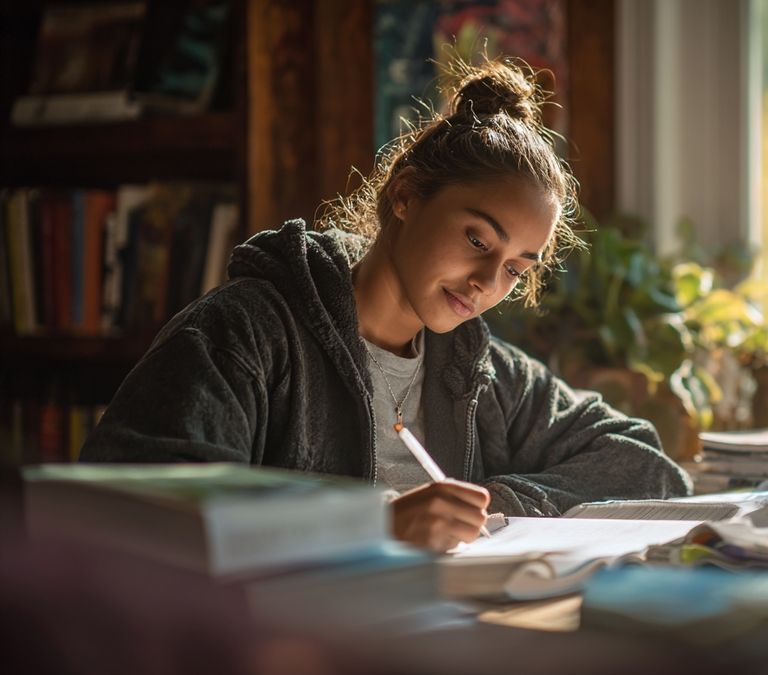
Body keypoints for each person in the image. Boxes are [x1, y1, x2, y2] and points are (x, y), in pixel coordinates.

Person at [80, 59, 691, 551]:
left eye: (513, 268)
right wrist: (374, 525)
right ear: (405, 196)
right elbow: (137, 505)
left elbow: (644, 463)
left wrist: (495, 505)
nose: (485, 283)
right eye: (477, 239)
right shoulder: (245, 334)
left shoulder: (474, 369)